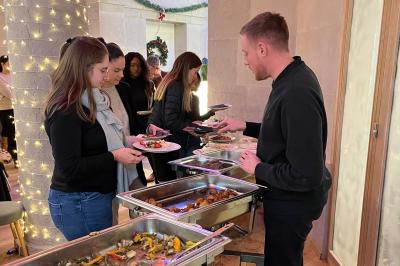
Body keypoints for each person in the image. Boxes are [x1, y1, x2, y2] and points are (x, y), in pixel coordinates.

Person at [217, 12, 332, 266]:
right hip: (286, 200)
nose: (245, 61)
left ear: (261, 48)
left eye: (246, 53)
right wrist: (245, 126)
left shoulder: (296, 91)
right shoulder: (291, 78)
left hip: (293, 205)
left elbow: (306, 174)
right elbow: (284, 132)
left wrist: (258, 168)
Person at [44, 36, 144, 241]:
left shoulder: (91, 100)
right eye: (103, 70)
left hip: (94, 196)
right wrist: (115, 155)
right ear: (83, 67)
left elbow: (101, 141)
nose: (106, 77)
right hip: (79, 201)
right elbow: (70, 168)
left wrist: (127, 142)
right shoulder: (66, 109)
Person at [148, 51, 202, 182]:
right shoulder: (176, 85)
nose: (196, 76)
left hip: (161, 143)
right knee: (170, 186)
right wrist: (190, 126)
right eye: (195, 72)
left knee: (163, 183)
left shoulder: (169, 81)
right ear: (186, 69)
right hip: (168, 143)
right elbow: (171, 120)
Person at [122, 52, 155, 184]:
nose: (136, 68)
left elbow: (153, 103)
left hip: (146, 124)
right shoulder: (123, 85)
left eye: (139, 65)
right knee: (136, 161)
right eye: (133, 65)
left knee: (153, 157)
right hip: (132, 127)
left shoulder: (148, 84)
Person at [0, 55, 17, 162]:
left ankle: (15, 156)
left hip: (15, 107)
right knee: (10, 133)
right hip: (5, 109)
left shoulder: (12, 75)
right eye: (8, 63)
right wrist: (12, 91)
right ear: (2, 64)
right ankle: (14, 158)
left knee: (15, 133)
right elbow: (9, 93)